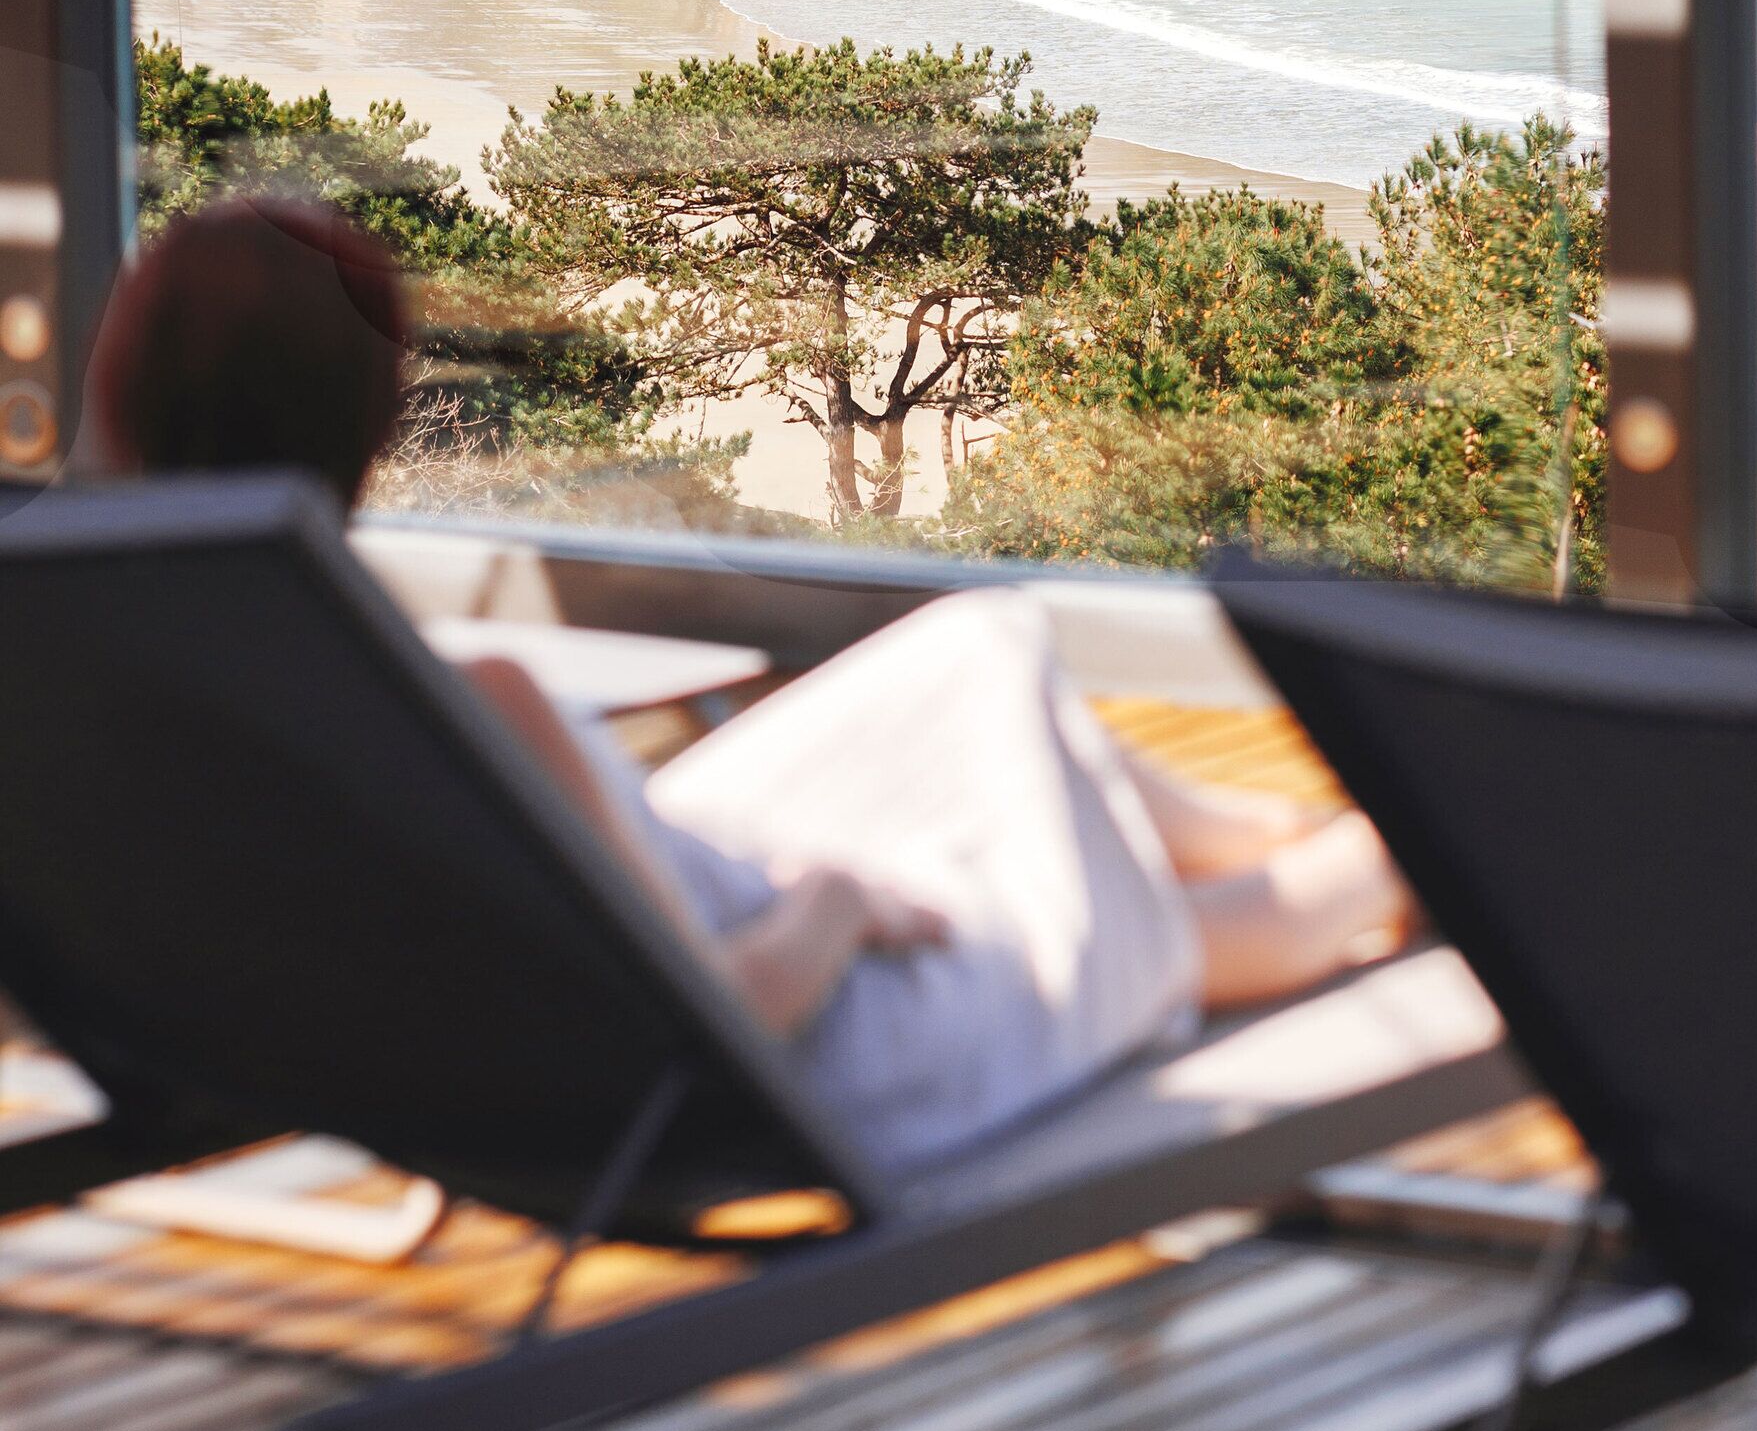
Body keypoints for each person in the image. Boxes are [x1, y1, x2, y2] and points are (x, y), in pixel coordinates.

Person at [81, 200, 1409, 1178]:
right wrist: (841, 902)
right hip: (818, 1050)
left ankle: (1249, 829)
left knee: (979, 655)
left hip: (536, 1029)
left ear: (121, 398)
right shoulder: (468, 706)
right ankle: (1372, 866)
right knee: (1059, 889)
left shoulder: (119, 702)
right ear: (370, 425)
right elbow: (730, 1012)